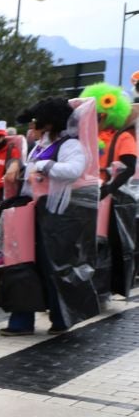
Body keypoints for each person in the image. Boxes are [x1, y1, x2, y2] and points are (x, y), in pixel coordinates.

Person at [0, 97, 101, 336]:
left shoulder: (70, 145)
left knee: (52, 267)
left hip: (55, 219)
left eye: (37, 121)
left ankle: (61, 316)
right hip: (31, 213)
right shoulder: (41, 144)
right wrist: (18, 166)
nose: (33, 125)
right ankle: (21, 320)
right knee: (22, 264)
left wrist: (44, 166)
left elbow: (74, 170)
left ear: (49, 122)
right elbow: (30, 169)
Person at [83, 83, 137, 296]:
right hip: (87, 196)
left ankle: (102, 288)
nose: (97, 120)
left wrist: (108, 188)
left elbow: (129, 167)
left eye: (100, 116)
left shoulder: (123, 137)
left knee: (106, 244)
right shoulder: (86, 138)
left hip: (111, 199)